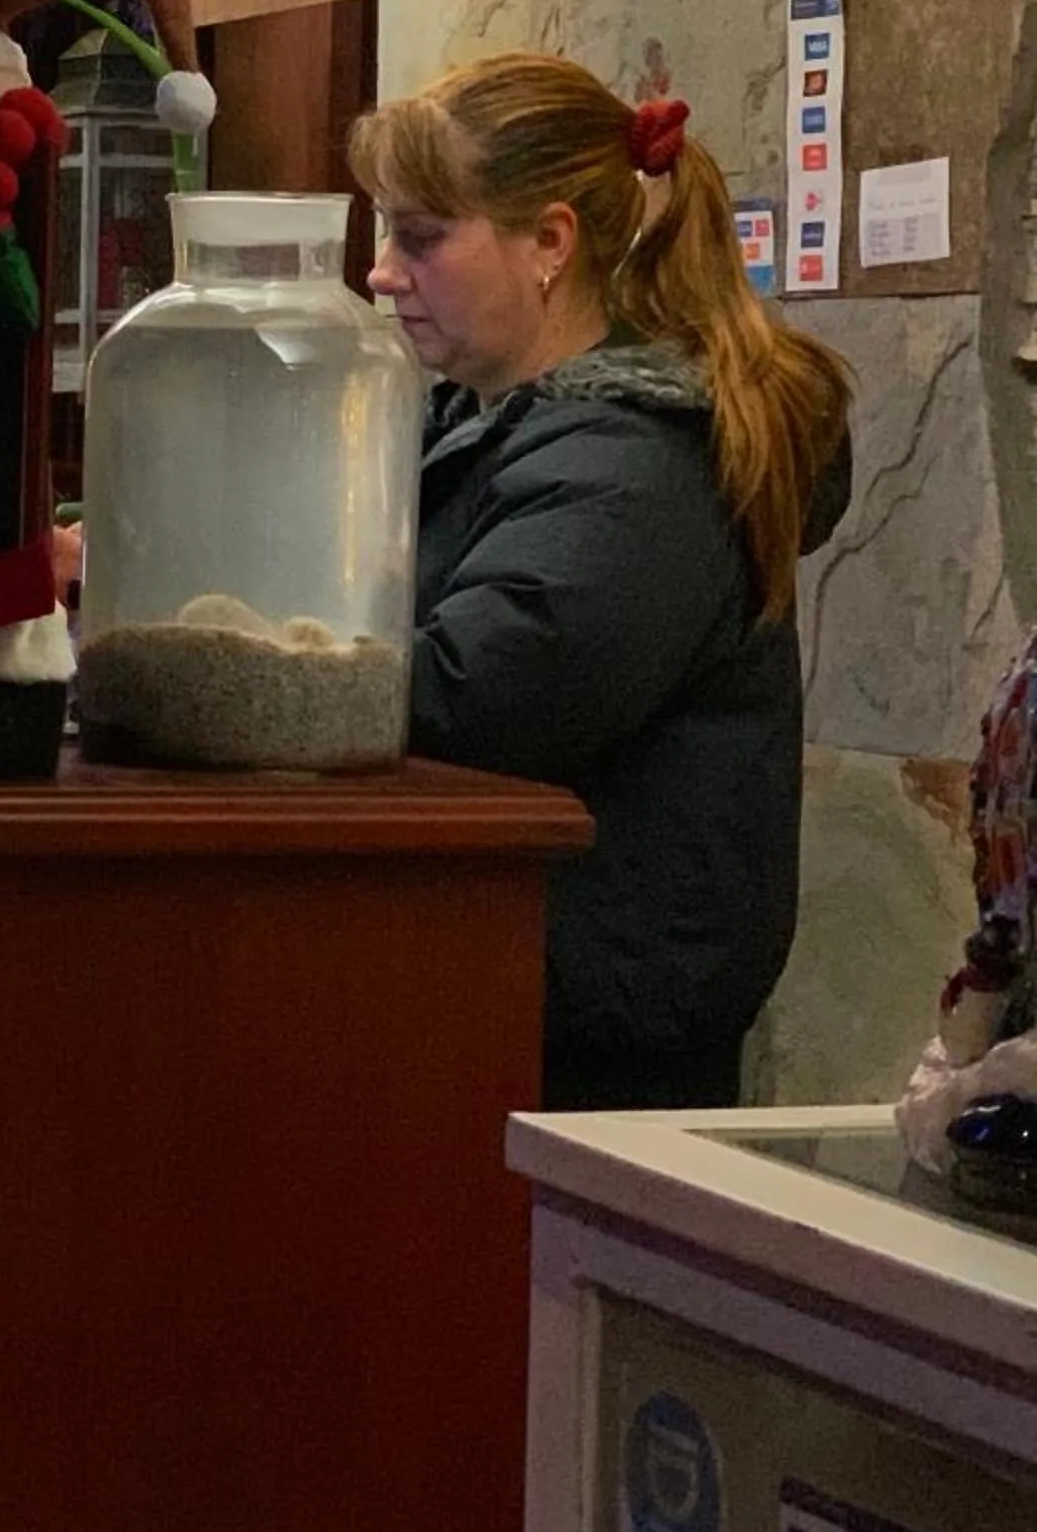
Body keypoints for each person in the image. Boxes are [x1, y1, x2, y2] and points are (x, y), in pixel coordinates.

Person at [349, 54, 852, 1111]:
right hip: (514, 1005)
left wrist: (225, 657)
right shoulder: (488, 422)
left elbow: (472, 697)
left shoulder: (639, 465)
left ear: (550, 243)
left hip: (588, 1055)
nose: (381, 272)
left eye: (420, 236)